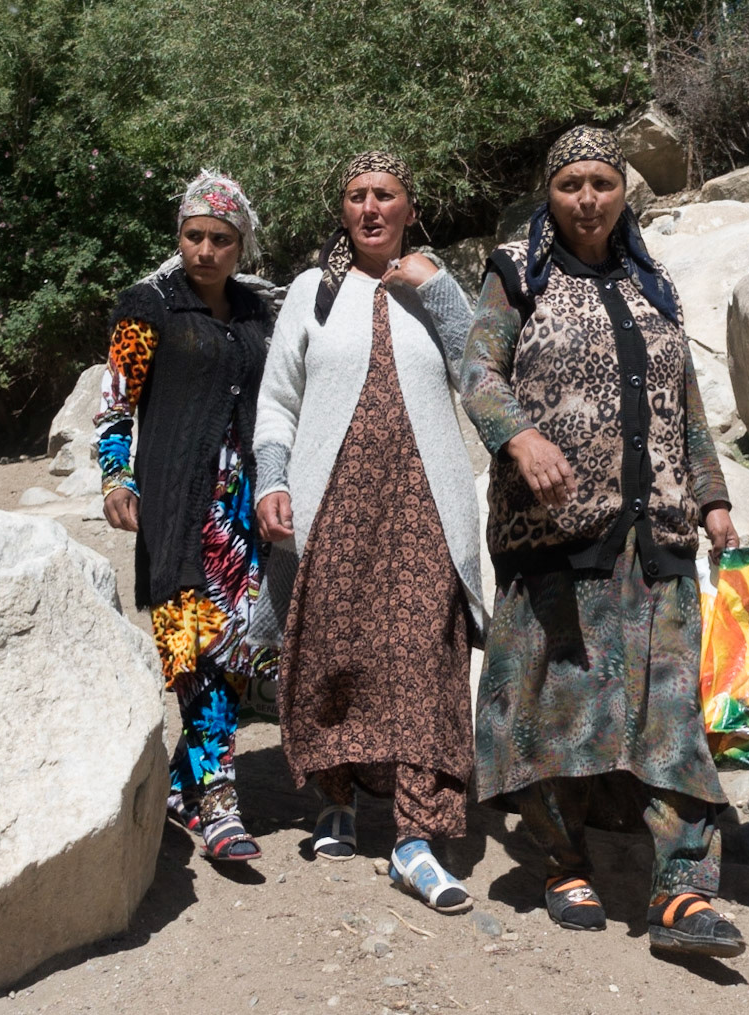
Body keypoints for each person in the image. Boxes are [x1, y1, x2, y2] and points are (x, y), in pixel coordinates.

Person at [460, 126, 746, 958]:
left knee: (672, 712)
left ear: (624, 190)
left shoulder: (652, 282)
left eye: (602, 182)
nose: (587, 198)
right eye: (569, 184)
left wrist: (712, 496)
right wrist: (519, 438)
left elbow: (684, 403)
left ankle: (682, 890)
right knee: (548, 701)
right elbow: (478, 371)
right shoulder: (517, 271)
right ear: (547, 194)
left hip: (655, 535)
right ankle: (559, 860)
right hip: (550, 534)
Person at [251, 151, 484, 914]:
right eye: (356, 197)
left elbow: (483, 368)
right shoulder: (311, 294)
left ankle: (415, 838)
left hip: (423, 498)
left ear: (409, 208)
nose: (370, 208)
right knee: (335, 646)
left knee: (425, 652)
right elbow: (278, 399)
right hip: (337, 499)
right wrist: (274, 478)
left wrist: (440, 288)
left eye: (385, 195)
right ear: (342, 211)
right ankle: (337, 801)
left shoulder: (429, 285)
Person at [95, 170, 277, 863]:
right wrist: (116, 476)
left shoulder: (259, 313)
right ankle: (220, 801)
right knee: (188, 648)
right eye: (194, 235)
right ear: (179, 237)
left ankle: (182, 785)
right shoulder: (147, 306)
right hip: (174, 508)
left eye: (220, 239)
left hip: (245, 514)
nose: (205, 249)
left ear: (241, 246)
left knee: (231, 654)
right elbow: (115, 402)